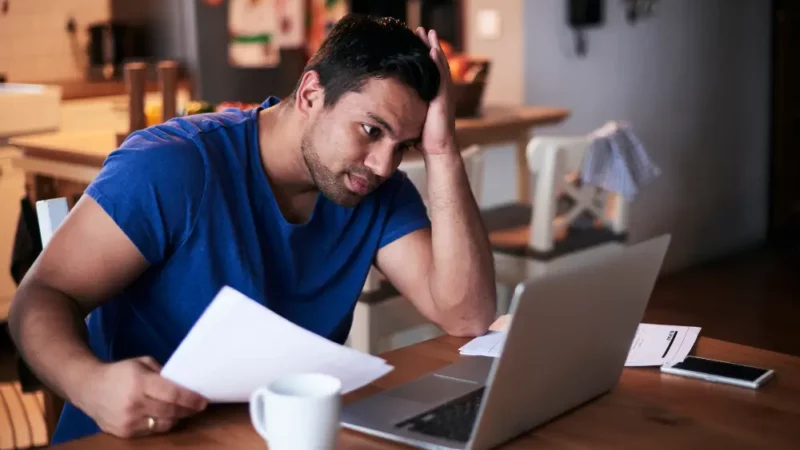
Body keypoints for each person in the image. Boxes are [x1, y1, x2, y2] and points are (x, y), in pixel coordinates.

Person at [8, 14, 496, 444]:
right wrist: (90, 383)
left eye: (403, 145)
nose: (384, 164)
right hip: (132, 436)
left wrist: (442, 150)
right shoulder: (173, 166)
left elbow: (466, 316)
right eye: (371, 130)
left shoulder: (371, 188)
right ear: (310, 94)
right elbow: (43, 295)